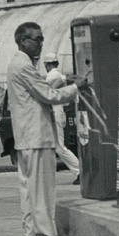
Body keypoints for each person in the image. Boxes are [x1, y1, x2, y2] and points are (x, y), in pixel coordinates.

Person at [7, 22, 89, 236]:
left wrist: (64, 79)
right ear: (22, 40)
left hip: (26, 137)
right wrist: (75, 88)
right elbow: (48, 95)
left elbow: (41, 86)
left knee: (29, 191)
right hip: (36, 136)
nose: (39, 44)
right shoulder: (23, 66)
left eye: (41, 40)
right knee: (42, 191)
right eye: (35, 39)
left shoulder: (19, 65)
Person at [43, 53, 80, 185]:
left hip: (55, 111)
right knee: (55, 146)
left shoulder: (51, 76)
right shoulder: (57, 74)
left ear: (47, 65)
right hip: (59, 111)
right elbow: (63, 78)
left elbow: (44, 90)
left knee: (59, 147)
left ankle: (79, 170)